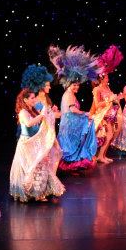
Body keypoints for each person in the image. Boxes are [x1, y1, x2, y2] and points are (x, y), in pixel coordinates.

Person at [50, 45, 100, 174]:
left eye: (78, 85)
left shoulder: (70, 94)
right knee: (73, 143)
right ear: (69, 84)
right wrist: (86, 114)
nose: (77, 87)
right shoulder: (69, 94)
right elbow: (72, 110)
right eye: (74, 85)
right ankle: (70, 166)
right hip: (69, 125)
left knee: (74, 142)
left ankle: (73, 165)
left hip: (70, 124)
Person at [9, 89, 64, 203]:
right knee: (30, 167)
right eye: (32, 98)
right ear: (25, 100)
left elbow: (45, 123)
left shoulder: (33, 111)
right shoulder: (23, 112)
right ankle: (30, 192)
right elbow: (29, 123)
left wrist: (51, 113)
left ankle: (40, 193)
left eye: (34, 97)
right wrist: (42, 115)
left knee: (41, 166)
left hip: (35, 143)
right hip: (26, 144)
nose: (35, 100)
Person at [90, 73, 123, 165]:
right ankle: (100, 156)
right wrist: (109, 100)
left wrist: (118, 98)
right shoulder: (97, 89)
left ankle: (103, 155)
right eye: (106, 77)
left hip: (111, 113)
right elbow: (97, 104)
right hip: (103, 115)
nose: (108, 78)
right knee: (109, 134)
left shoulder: (108, 88)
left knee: (111, 135)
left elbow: (112, 101)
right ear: (101, 78)